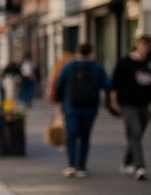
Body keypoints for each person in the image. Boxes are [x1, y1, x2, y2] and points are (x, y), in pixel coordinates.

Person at [53, 43, 112, 178]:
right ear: (91, 52)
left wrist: (60, 101)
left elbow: (58, 86)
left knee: (72, 136)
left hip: (71, 107)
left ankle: (71, 165)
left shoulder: (68, 66)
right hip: (90, 107)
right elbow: (107, 85)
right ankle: (82, 166)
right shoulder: (96, 67)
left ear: (77, 52)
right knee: (85, 136)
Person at [110, 35, 151, 180]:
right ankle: (140, 167)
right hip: (128, 105)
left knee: (136, 135)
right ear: (137, 45)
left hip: (144, 105)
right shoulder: (125, 62)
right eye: (144, 44)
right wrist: (114, 101)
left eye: (148, 45)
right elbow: (114, 83)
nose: (146, 48)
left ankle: (127, 161)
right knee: (135, 132)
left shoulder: (148, 63)